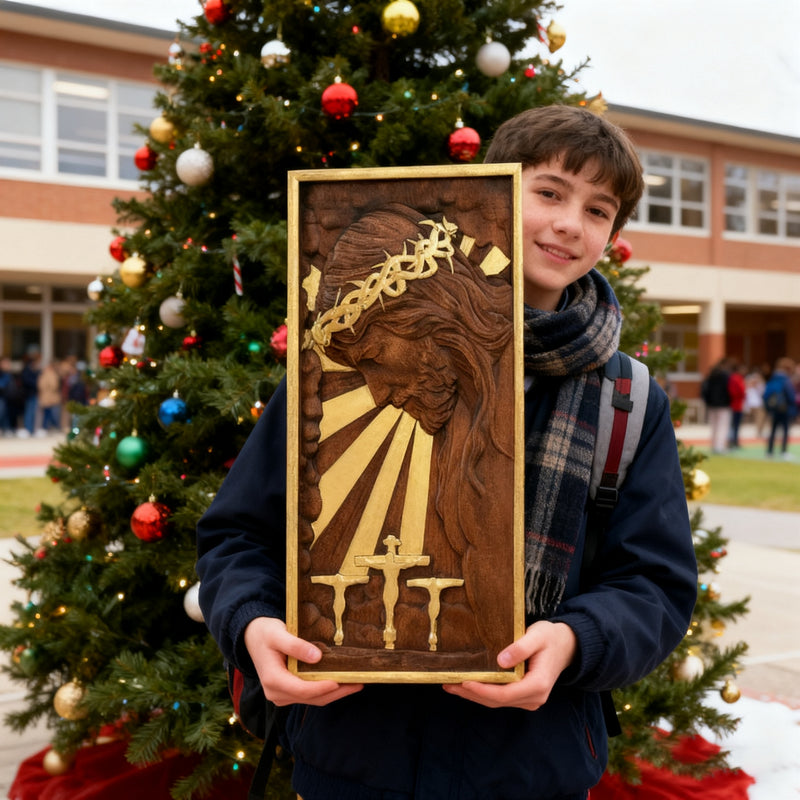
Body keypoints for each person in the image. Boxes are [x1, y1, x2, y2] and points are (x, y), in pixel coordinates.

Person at [196, 105, 698, 800]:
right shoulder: (328, 372)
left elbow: (655, 585)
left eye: (598, 210)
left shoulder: (625, 400)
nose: (568, 223)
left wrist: (574, 641)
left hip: (528, 766)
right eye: (549, 192)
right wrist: (252, 623)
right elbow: (238, 535)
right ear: (491, 196)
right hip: (355, 755)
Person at [763, 356, 797, 459]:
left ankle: (770, 451)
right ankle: (783, 451)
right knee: (785, 430)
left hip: (774, 408)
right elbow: (790, 396)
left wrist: (768, 407)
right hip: (784, 408)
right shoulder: (785, 380)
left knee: (773, 430)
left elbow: (766, 394)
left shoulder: (773, 378)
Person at [701, 357, 732, 454]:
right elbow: (730, 390)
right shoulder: (726, 376)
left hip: (712, 404)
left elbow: (705, 389)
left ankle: (714, 445)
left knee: (714, 426)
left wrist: (708, 401)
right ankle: (720, 446)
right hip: (723, 404)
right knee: (722, 426)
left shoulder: (711, 376)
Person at [727, 361, 747, 448]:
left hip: (738, 404)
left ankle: (735, 441)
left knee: (736, 425)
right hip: (735, 405)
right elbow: (738, 391)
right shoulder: (736, 379)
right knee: (734, 425)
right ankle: (732, 441)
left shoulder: (738, 378)